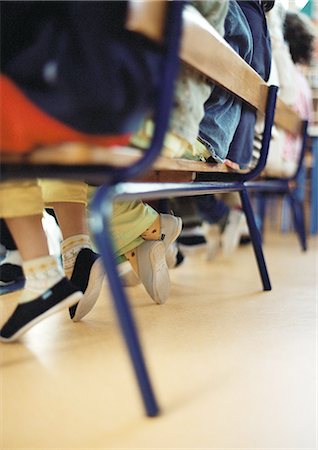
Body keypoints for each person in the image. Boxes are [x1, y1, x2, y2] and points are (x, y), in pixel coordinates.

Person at [0, 1, 180, 342]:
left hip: (87, 95)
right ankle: (74, 256)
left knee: (9, 134)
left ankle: (50, 268)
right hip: (128, 98)